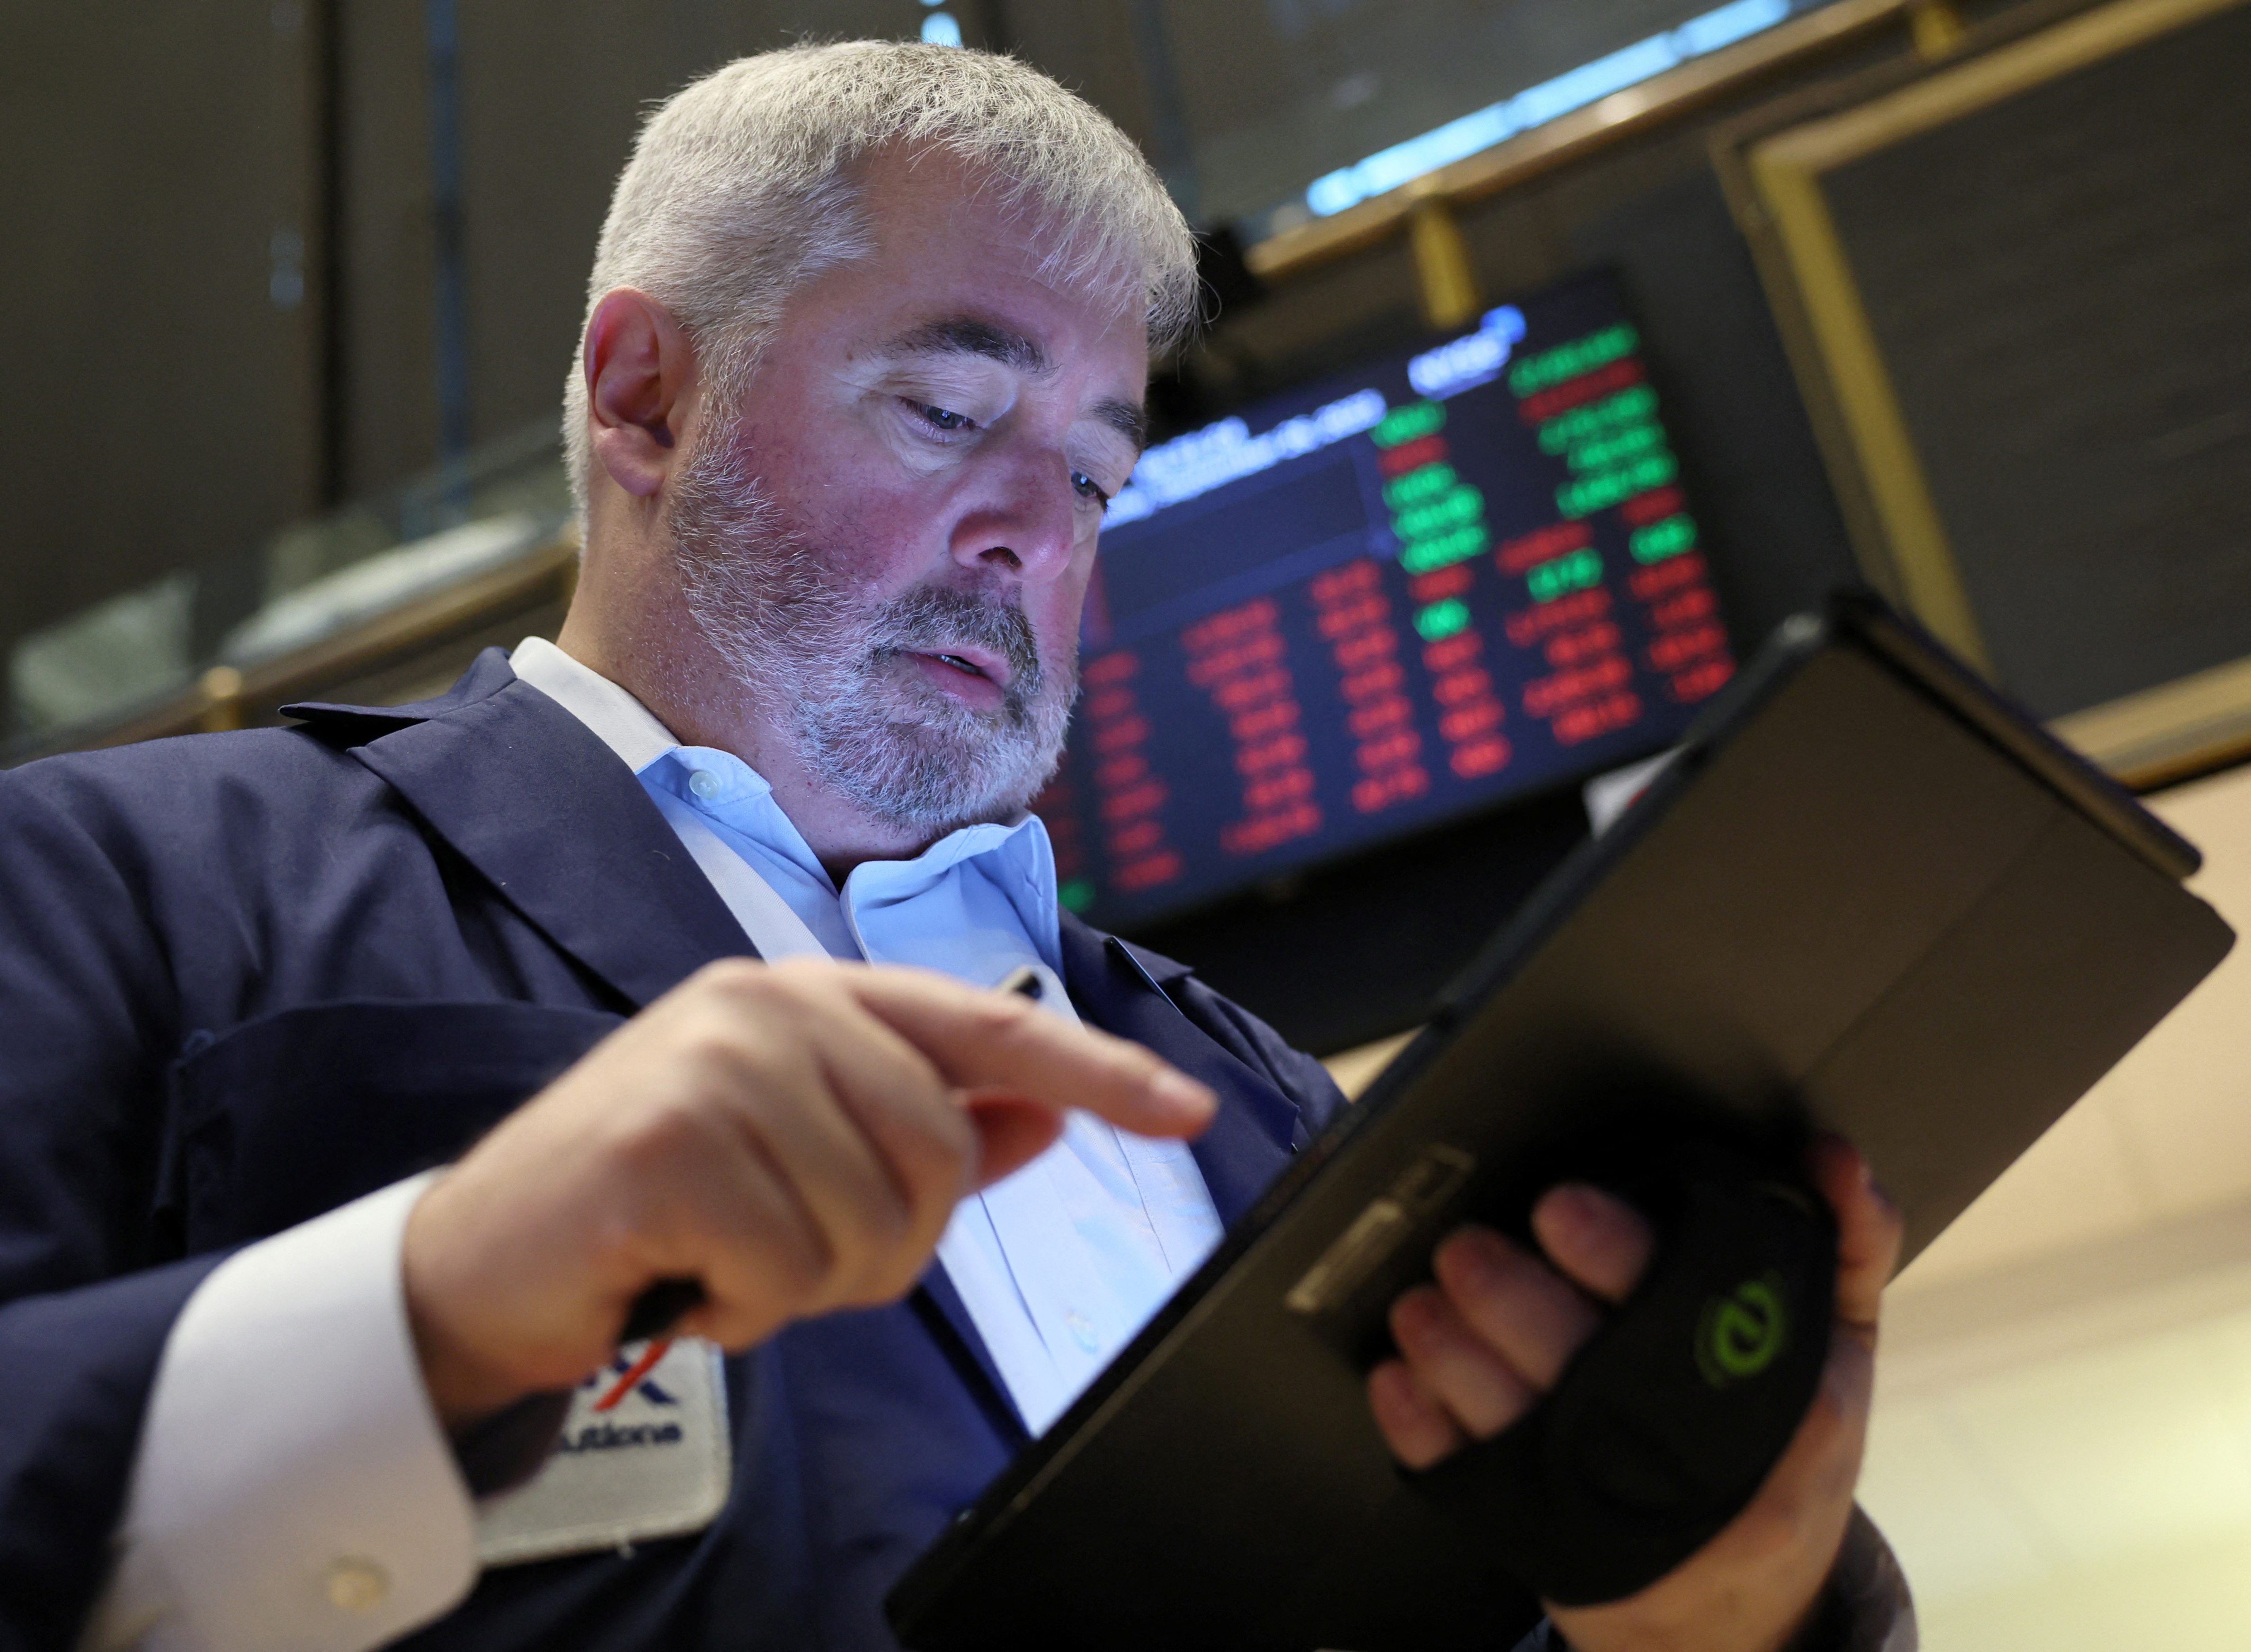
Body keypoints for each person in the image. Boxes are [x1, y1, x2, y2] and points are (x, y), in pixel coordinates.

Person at [0, 41, 1909, 1652]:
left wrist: (1729, 1606)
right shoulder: (122, 879)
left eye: (1092, 469)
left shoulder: (1236, 1095)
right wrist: (432, 1302)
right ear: (644, 394)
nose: (1037, 532)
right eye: (947, 409)